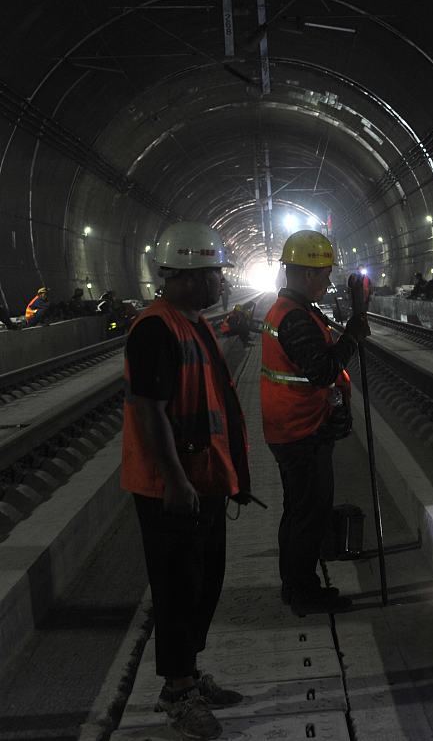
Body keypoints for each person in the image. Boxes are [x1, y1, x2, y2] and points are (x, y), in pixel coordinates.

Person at [121, 221, 251, 740]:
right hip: (172, 487)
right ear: (187, 277)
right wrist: (175, 480)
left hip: (204, 479)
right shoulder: (155, 327)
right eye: (214, 272)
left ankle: (189, 676)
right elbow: (148, 411)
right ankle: (177, 692)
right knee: (178, 591)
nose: (221, 280)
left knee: (204, 585)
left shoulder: (191, 321)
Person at [261, 230, 369, 616]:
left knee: (298, 510)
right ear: (306, 274)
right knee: (309, 512)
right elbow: (322, 371)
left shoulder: (293, 310)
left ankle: (294, 585)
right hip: (300, 430)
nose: (327, 281)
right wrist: (353, 336)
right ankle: (304, 591)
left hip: (293, 426)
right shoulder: (295, 319)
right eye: (324, 275)